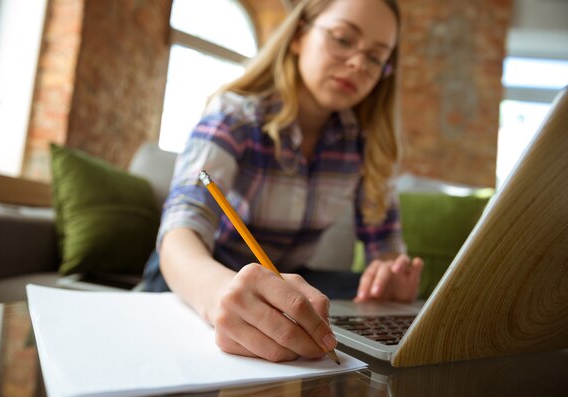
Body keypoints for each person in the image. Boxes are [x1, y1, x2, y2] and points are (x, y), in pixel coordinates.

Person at [144, 0, 423, 363]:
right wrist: (219, 296)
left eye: (375, 57)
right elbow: (181, 232)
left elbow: (385, 250)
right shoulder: (235, 115)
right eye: (342, 39)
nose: (357, 63)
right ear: (298, 35)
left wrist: (390, 277)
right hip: (205, 272)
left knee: (371, 304)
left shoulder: (367, 145)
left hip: (289, 281)